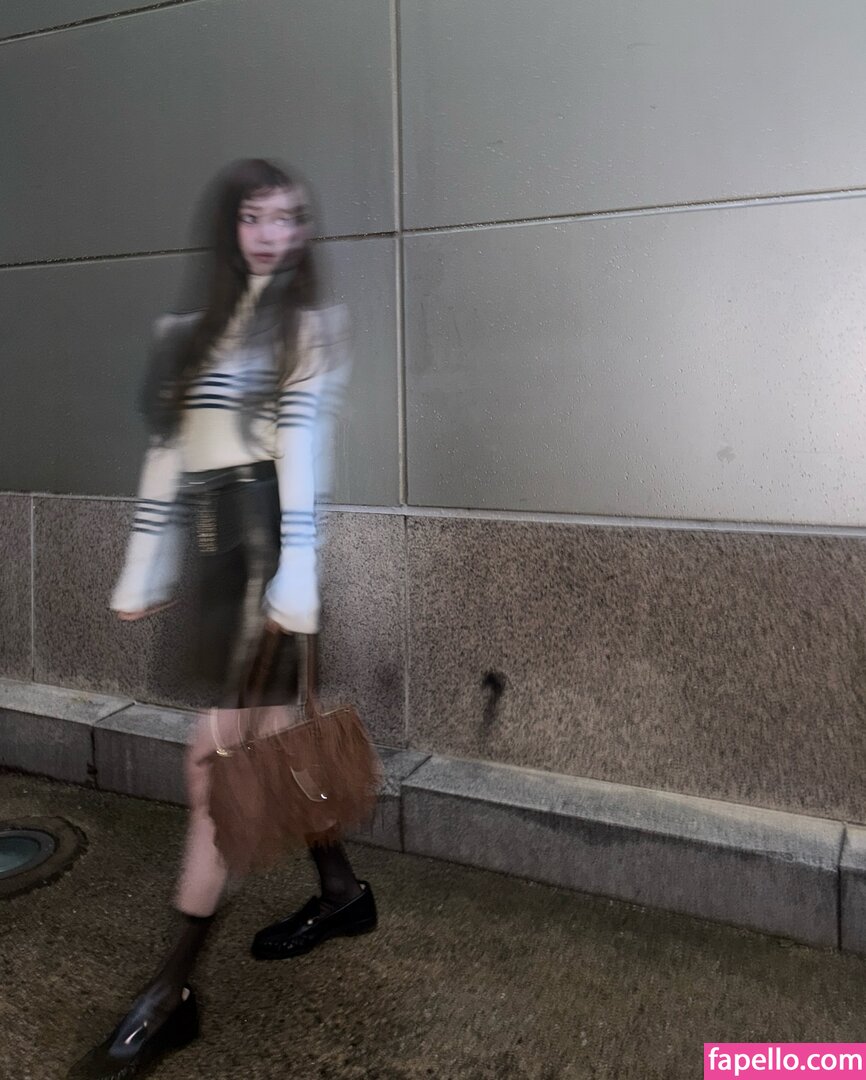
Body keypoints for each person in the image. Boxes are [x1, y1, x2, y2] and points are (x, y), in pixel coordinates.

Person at [68, 158, 376, 1079]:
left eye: (288, 217)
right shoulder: (189, 331)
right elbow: (168, 453)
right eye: (254, 216)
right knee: (273, 746)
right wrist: (142, 566)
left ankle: (171, 990)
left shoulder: (309, 328)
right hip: (214, 567)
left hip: (269, 564)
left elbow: (304, 457)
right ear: (229, 226)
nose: (273, 234)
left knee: (215, 763)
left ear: (304, 231)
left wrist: (297, 581)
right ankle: (341, 890)